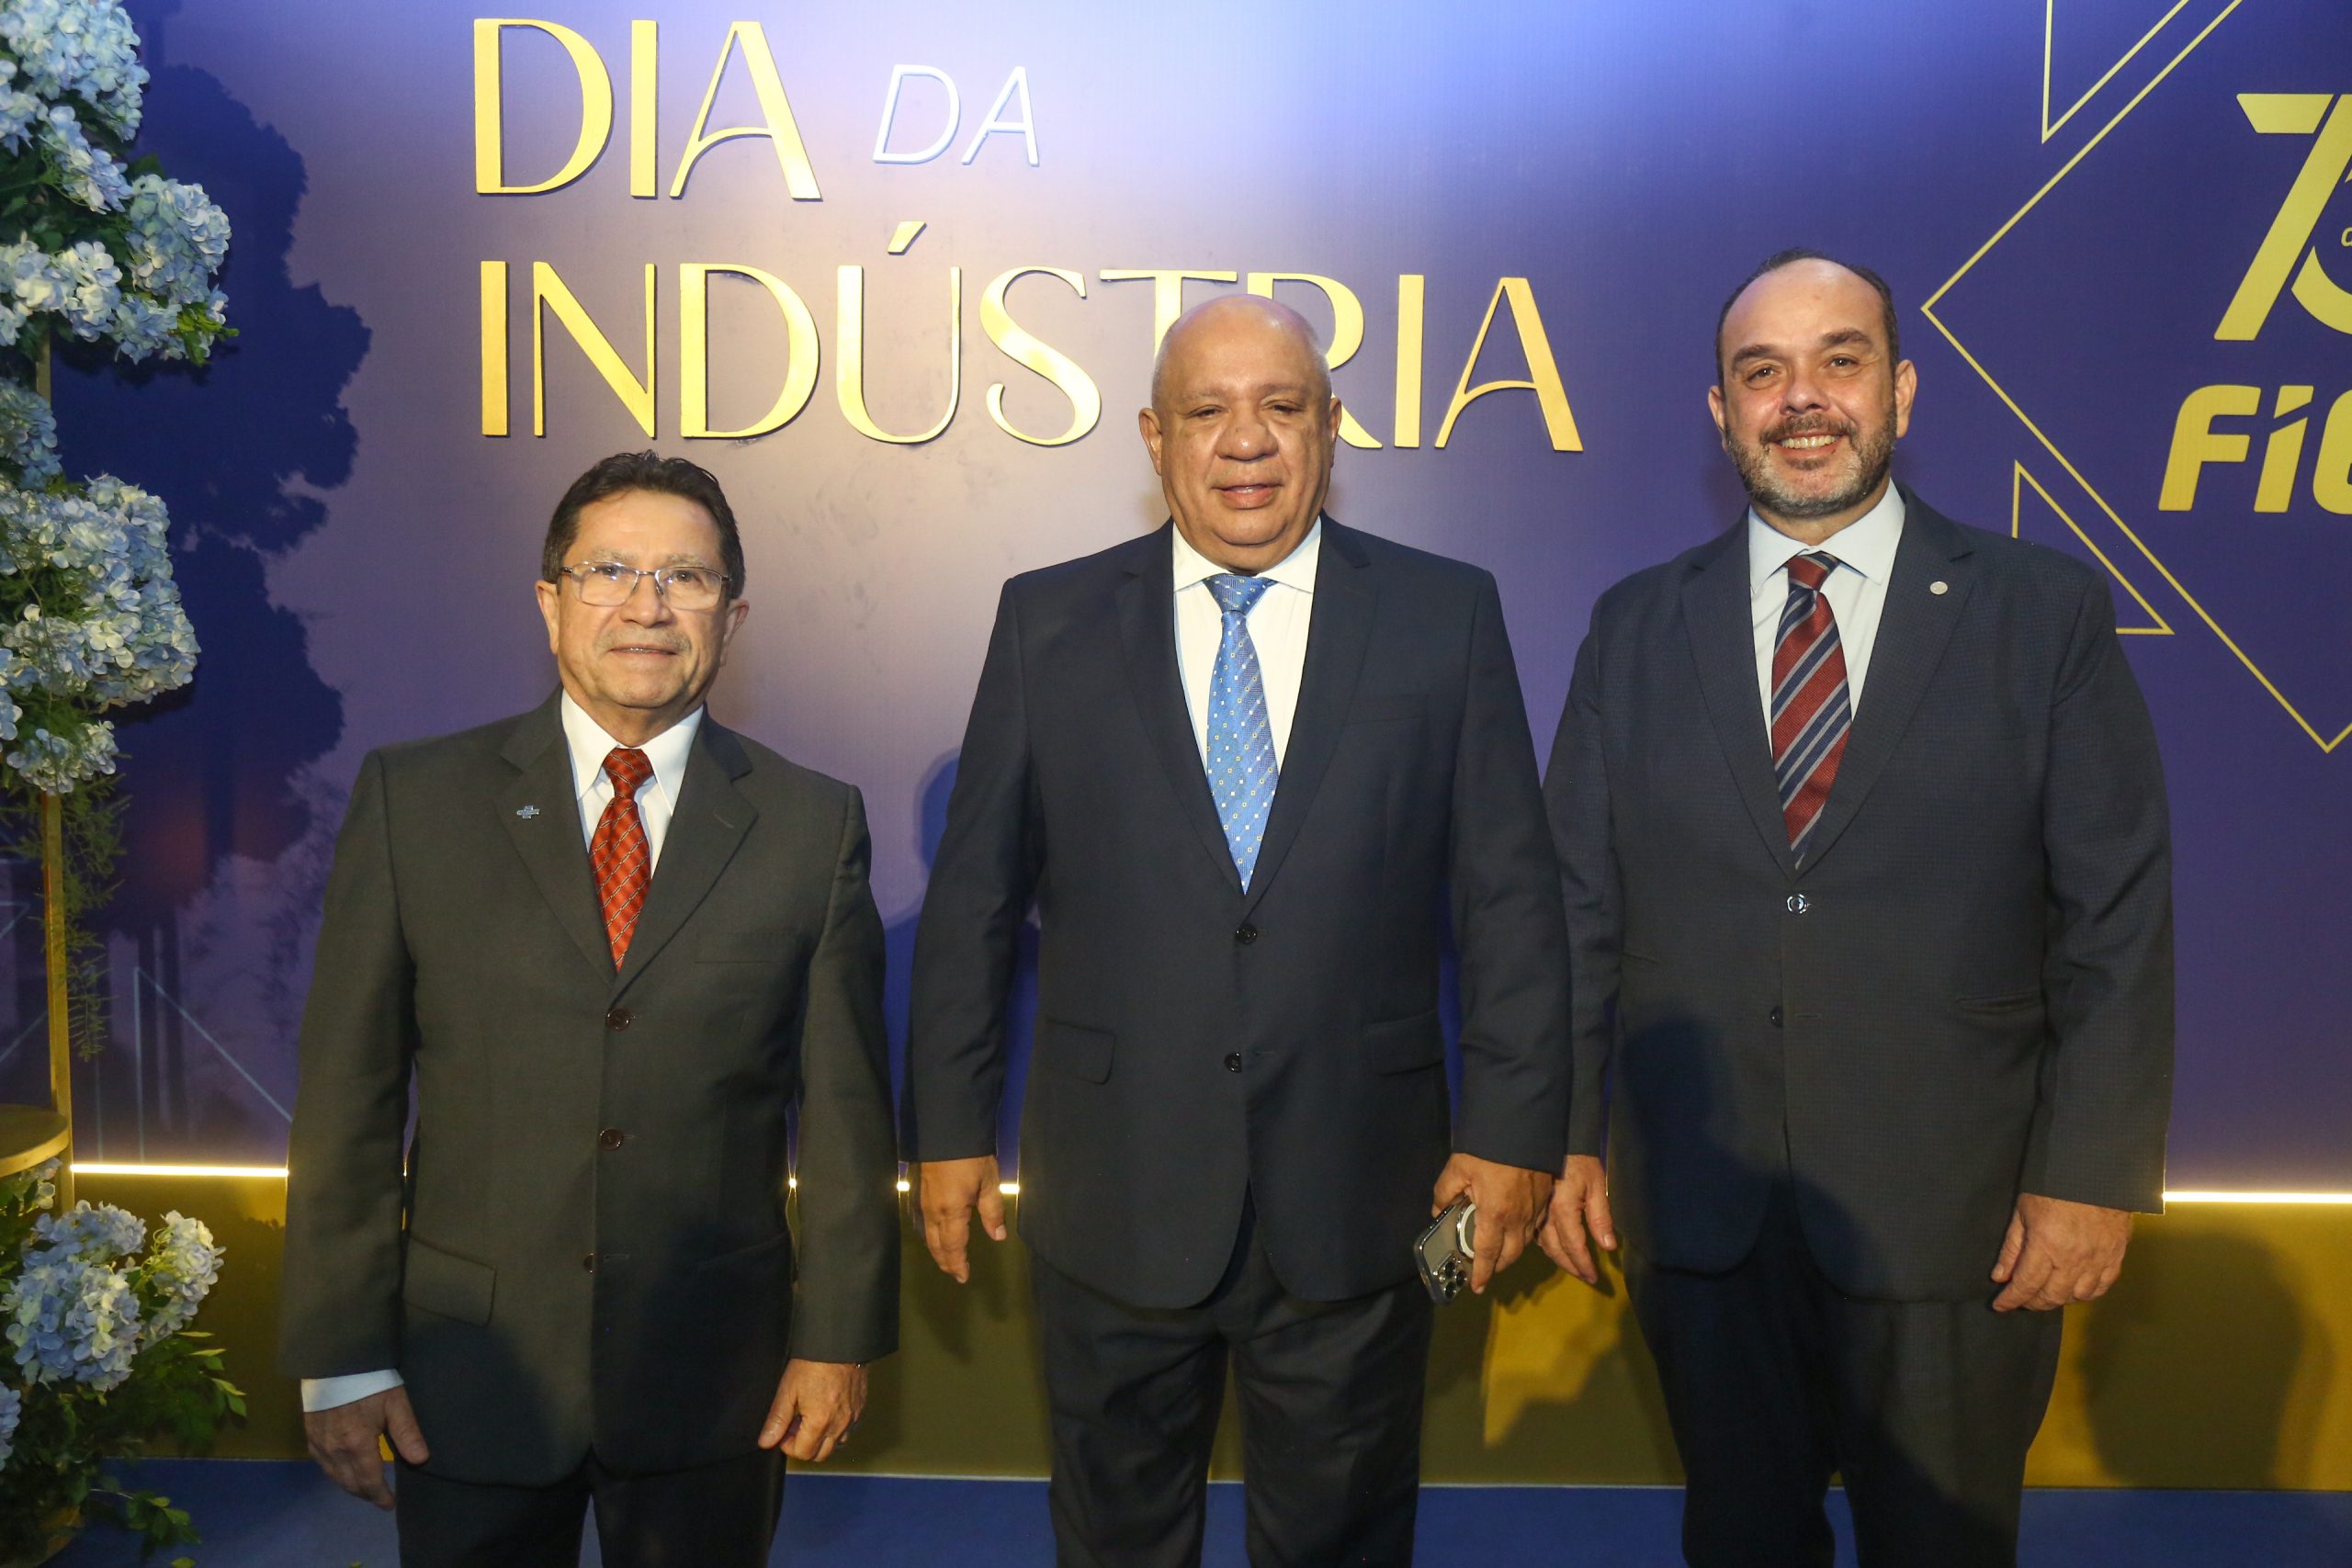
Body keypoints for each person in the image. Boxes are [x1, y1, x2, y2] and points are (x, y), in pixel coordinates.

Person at [906, 294, 1570, 1567]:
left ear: (1331, 426)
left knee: (1343, 1540)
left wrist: (1510, 1133)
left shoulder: (1444, 614)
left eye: (1280, 406)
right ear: (1154, 437)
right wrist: (948, 1128)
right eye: (1207, 411)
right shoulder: (1048, 620)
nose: (1245, 440)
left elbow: (1511, 902)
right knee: (1116, 1540)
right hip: (1113, 1188)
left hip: (1363, 1187)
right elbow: (975, 899)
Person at [1537, 251, 2175, 1567]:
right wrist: (1560, 1136)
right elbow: (1574, 910)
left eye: (1841, 360)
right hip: (1704, 1216)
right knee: (1740, 1541)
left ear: (1902, 390)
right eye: (1761, 371)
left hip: (1958, 1219)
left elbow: (2113, 920)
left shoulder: (2041, 612)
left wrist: (2087, 1176)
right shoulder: (1635, 626)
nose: (1802, 399)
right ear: (1721, 412)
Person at [278, 451, 899, 1566]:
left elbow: (848, 1118)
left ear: (732, 615)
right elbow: (348, 1099)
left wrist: (837, 1338)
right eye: (609, 570)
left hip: (719, 1379)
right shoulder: (414, 802)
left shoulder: (813, 827)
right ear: (550, 601)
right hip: (467, 1371)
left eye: (685, 578)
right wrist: (343, 1352)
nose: (647, 607)